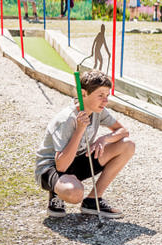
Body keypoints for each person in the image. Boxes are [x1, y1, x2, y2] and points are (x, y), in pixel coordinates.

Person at [34, 70, 135, 218]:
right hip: (52, 168)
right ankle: (57, 193)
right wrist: (79, 130)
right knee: (75, 193)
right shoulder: (66, 119)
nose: (105, 101)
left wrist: (104, 139)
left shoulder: (98, 110)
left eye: (107, 96)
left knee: (127, 145)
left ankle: (92, 201)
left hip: (77, 160)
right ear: (83, 94)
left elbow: (123, 131)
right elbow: (61, 165)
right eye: (100, 95)